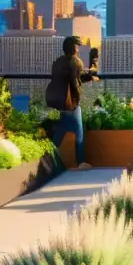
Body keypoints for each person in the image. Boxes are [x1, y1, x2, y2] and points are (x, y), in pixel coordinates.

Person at [44, 36, 97, 169]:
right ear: (73, 48)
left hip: (59, 102)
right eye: (77, 47)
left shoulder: (57, 62)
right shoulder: (75, 62)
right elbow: (75, 82)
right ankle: (80, 162)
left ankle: (46, 154)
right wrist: (77, 100)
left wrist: (88, 76)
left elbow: (70, 78)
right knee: (79, 132)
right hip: (70, 103)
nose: (78, 50)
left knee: (62, 129)